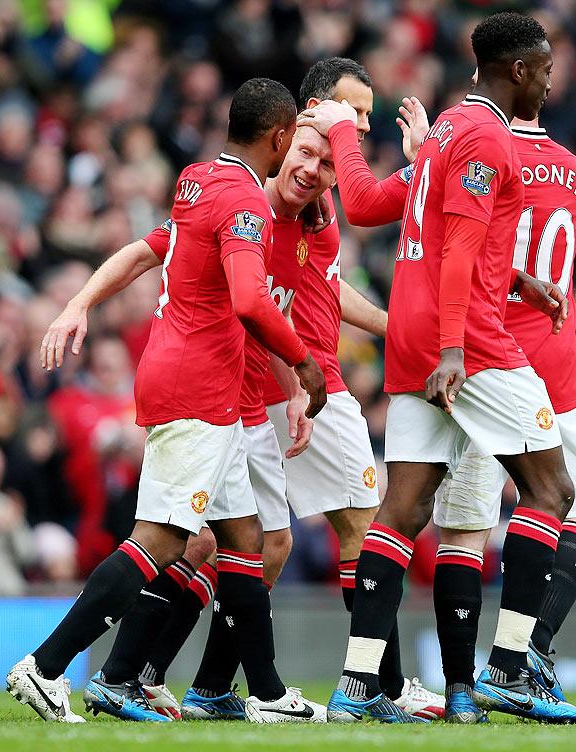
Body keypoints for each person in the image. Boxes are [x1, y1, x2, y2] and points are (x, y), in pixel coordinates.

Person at [6, 77, 327, 725]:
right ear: (280, 136)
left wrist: (79, 301)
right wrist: (302, 360)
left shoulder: (198, 179)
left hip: (194, 379)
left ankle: (263, 692)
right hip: (201, 387)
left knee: (244, 536)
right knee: (160, 538)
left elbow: (147, 251)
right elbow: (248, 298)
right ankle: (43, 668)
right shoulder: (244, 201)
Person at [298, 12, 576, 724]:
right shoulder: (488, 135)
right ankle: (512, 667)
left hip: (413, 334)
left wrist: (518, 280)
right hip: (469, 342)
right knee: (552, 489)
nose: (550, 80)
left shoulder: (449, 129)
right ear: (518, 69)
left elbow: (366, 206)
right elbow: (456, 253)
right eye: (544, 68)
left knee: (403, 509)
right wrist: (458, 348)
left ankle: (357, 684)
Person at [262, 57, 444, 721]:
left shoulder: (319, 186)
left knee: (254, 540)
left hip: (304, 378)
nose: (364, 122)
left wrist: (395, 328)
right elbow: (263, 294)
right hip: (308, 383)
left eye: (369, 112)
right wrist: (295, 375)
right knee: (367, 533)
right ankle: (383, 686)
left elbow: (327, 287)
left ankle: (178, 677)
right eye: (355, 108)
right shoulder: (297, 182)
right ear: (315, 107)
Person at [433, 113, 576, 719]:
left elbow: (447, 245)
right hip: (557, 357)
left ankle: (468, 684)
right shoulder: (569, 167)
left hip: (486, 357)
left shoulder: (473, 152)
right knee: (559, 503)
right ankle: (526, 655)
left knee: (465, 524)